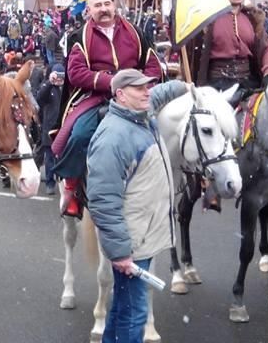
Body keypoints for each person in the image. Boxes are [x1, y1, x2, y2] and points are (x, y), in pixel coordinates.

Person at [86, 69, 188, 343]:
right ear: (120, 95)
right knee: (135, 313)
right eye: (140, 89)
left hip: (140, 234)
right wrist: (119, 253)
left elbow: (159, 94)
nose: (147, 92)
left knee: (123, 306)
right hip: (132, 240)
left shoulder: (138, 114)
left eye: (148, 87)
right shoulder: (113, 137)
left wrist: (184, 86)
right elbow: (103, 201)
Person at [52, 0, 163, 218]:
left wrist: (138, 86)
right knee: (80, 135)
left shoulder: (135, 33)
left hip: (134, 95)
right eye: (97, 5)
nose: (103, 9)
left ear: (115, 6)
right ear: (89, 11)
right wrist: (112, 82)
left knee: (168, 131)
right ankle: (72, 187)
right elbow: (76, 73)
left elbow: (153, 66)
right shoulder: (79, 37)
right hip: (97, 96)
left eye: (107, 4)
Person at [190, 0, 268, 93]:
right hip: (216, 86)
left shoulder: (252, 19)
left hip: (248, 84)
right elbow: (192, 53)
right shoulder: (209, 19)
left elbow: (266, 49)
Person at [36, 64, 65, 195]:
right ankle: (50, 182)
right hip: (49, 128)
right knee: (49, 157)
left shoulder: (66, 88)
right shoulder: (47, 87)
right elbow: (40, 98)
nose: (59, 79)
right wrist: (49, 82)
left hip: (63, 127)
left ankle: (63, 181)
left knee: (63, 156)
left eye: (61, 76)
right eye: (57, 75)